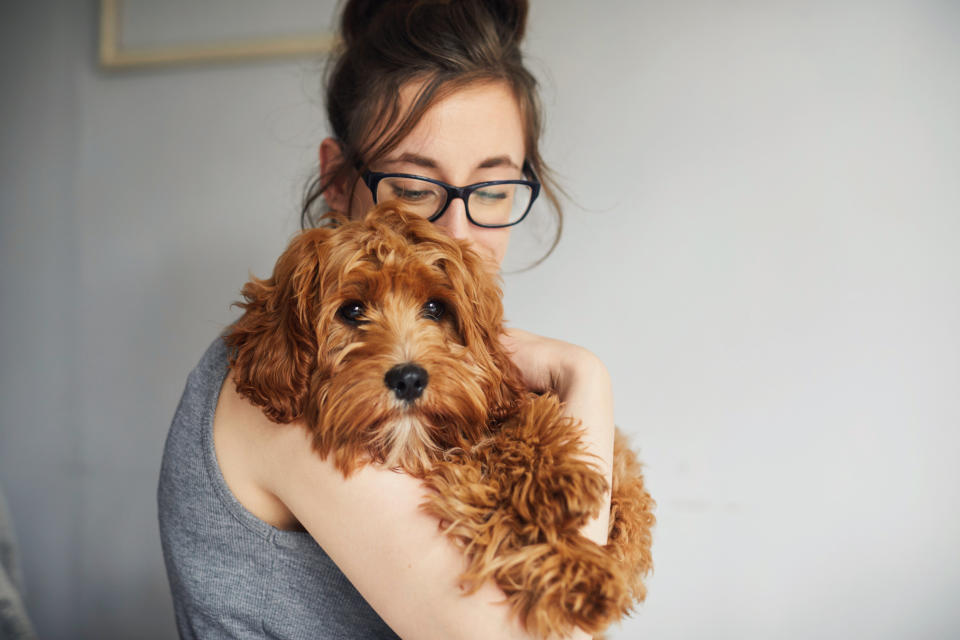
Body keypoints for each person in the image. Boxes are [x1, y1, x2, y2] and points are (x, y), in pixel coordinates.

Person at [158, 1, 616, 638]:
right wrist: (584, 376)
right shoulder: (294, 377)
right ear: (337, 179)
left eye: (491, 190)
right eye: (412, 186)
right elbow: (545, 628)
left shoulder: (451, 366)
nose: (454, 233)